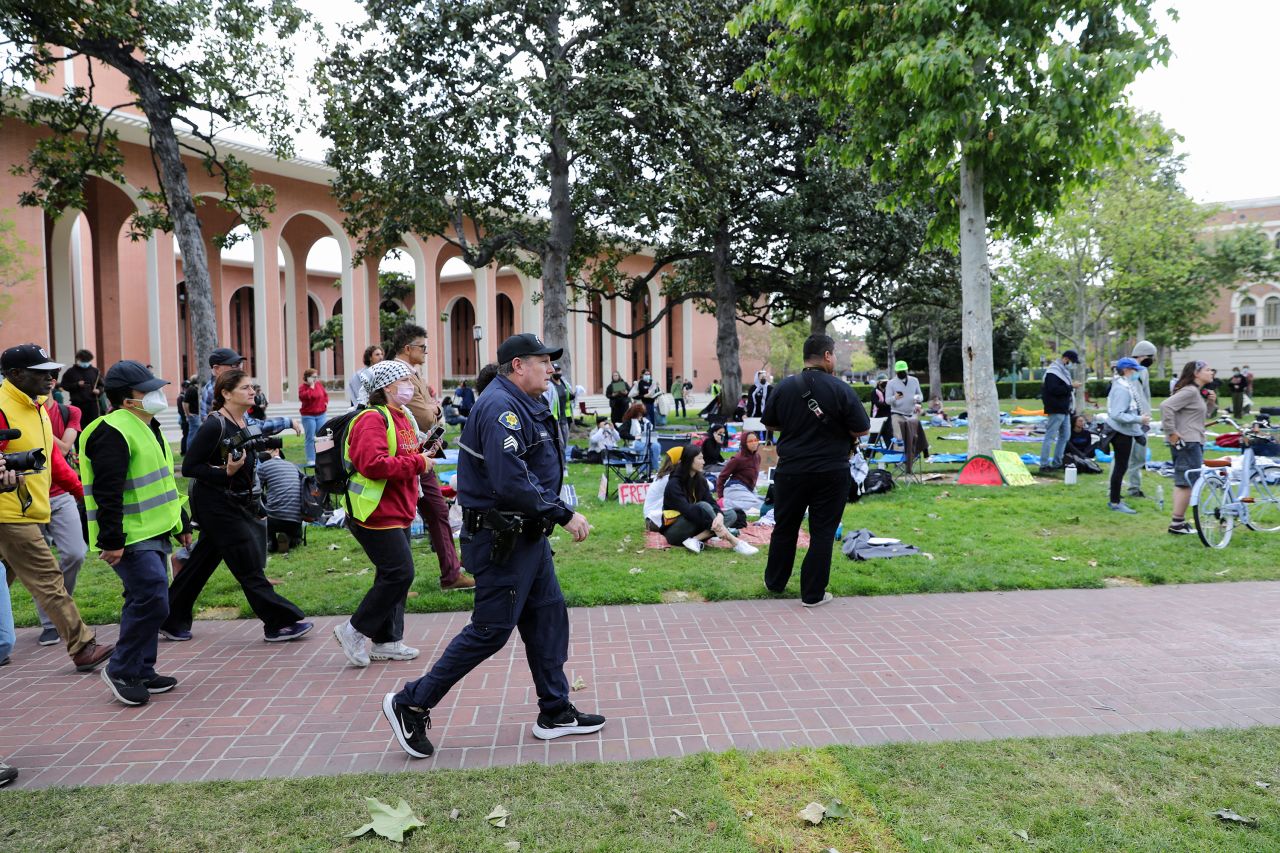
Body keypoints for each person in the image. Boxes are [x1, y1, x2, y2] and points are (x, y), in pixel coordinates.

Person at [381, 332, 605, 759]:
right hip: (503, 539)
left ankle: (555, 711)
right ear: (518, 365)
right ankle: (411, 702)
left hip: (527, 537)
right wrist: (563, 513)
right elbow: (512, 481)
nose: (551, 369)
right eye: (544, 361)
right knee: (490, 631)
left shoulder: (523, 402)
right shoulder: (500, 406)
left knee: (547, 618)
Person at [160, 369, 313, 642]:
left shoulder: (244, 420)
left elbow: (248, 450)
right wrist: (225, 473)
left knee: (200, 564)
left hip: (235, 502)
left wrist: (269, 449)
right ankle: (279, 623)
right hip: (216, 505)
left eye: (252, 386)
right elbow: (191, 467)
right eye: (245, 388)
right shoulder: (214, 424)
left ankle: (170, 618)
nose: (252, 391)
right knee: (248, 563)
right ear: (226, 394)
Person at [80, 361, 190, 706]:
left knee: (145, 598)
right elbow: (107, 491)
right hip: (128, 536)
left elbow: (162, 482)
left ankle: (142, 669)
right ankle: (121, 669)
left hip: (154, 529)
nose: (159, 394)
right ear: (128, 399)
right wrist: (112, 540)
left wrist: (181, 521)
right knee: (153, 598)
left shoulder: (146, 424)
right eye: (149, 390)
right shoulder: (111, 431)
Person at [0, 344, 114, 672]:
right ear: (15, 375)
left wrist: (81, 494)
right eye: (41, 372)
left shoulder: (36, 408)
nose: (51, 377)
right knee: (49, 578)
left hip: (25, 509)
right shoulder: (3, 406)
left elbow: (53, 461)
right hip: (9, 513)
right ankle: (82, 647)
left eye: (52, 371)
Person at [333, 359, 434, 667]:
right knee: (400, 573)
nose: (412, 387)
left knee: (393, 575)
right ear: (388, 387)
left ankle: (388, 640)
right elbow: (372, 464)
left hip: (398, 508)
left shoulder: (402, 416)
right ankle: (353, 630)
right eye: (407, 381)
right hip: (374, 512)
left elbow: (402, 454)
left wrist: (423, 453)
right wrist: (418, 463)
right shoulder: (371, 420)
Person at [762, 334, 870, 607]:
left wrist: (797, 425)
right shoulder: (840, 389)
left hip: (791, 470)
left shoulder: (784, 388)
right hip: (830, 470)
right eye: (833, 354)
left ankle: (774, 582)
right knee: (822, 532)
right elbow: (861, 428)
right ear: (827, 356)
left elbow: (771, 424)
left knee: (784, 527)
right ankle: (812, 594)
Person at [391, 324, 475, 591]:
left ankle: (448, 574)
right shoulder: (400, 373)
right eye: (422, 347)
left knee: (430, 512)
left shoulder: (410, 373)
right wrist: (433, 409)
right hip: (407, 455)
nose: (426, 352)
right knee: (415, 515)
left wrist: (432, 408)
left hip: (416, 454)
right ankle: (434, 577)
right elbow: (426, 416)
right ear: (408, 348)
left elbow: (430, 410)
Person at [32, 395, 88, 647]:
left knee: (76, 553)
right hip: (28, 498)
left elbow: (63, 450)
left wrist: (37, 422)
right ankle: (51, 622)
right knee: (39, 564)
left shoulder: (69, 412)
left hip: (61, 494)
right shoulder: (13, 410)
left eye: (47, 377)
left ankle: (59, 610)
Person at [662, 443, 757, 554]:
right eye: (700, 458)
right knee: (703, 506)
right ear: (689, 460)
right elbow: (688, 511)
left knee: (731, 515)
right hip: (676, 531)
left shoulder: (700, 480)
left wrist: (719, 515)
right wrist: (717, 525)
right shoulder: (674, 483)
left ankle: (695, 540)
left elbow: (711, 501)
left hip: (696, 525)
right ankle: (735, 541)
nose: (704, 462)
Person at [1161, 360, 1216, 535]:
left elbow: (1198, 417)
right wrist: (1172, 433)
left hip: (1193, 441)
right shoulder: (1190, 391)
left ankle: (1179, 522)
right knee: (1186, 483)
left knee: (1187, 482)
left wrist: (1210, 403)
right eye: (1207, 370)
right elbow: (1166, 406)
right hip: (1187, 443)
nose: (1211, 372)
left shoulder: (1195, 393)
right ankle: (1177, 524)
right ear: (1196, 373)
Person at [1104, 357, 1149, 515]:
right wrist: (1139, 419)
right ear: (1127, 370)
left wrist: (1138, 432)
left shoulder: (1124, 385)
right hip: (1120, 433)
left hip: (1125, 431)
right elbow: (1117, 414)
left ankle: (1115, 500)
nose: (1137, 373)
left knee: (1121, 467)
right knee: (1120, 467)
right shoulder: (1122, 389)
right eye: (1135, 370)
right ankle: (1115, 502)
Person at [258, 447, 306, 554]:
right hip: (295, 518)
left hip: (274, 519)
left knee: (259, 505)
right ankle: (290, 539)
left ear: (277, 450)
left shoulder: (264, 466)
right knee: (297, 540)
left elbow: (256, 491)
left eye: (267, 449)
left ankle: (271, 541)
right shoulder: (293, 466)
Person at [1039, 350, 1080, 472]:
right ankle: (1044, 464)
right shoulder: (1053, 372)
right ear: (1066, 359)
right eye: (1072, 361)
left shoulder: (1062, 372)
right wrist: (1071, 387)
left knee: (1065, 436)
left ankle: (1057, 462)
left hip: (1064, 409)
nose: (1072, 364)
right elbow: (1053, 389)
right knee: (1050, 436)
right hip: (1056, 408)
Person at [1126, 340, 1157, 497]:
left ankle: (1134, 488)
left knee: (1138, 456)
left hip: (1141, 419)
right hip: (1132, 419)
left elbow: (1145, 396)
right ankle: (1118, 489)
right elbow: (1133, 393)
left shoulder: (1141, 371)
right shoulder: (1133, 370)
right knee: (1125, 456)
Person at [885, 360, 923, 473]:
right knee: (898, 439)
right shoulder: (891, 383)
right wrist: (895, 398)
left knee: (913, 437)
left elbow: (920, 395)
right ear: (896, 371)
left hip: (912, 413)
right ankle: (899, 462)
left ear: (906, 370)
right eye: (900, 371)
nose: (902, 372)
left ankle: (911, 460)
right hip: (897, 413)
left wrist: (918, 399)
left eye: (904, 370)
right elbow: (887, 400)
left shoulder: (914, 381)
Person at [716, 431, 765, 513]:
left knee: (765, 501)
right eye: (750, 441)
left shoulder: (757, 457)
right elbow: (722, 477)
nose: (754, 443)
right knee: (758, 504)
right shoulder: (737, 459)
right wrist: (721, 496)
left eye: (755, 440)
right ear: (744, 443)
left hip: (748, 489)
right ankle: (724, 503)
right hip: (735, 488)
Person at [57, 348, 103, 425]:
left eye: (87, 361)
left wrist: (99, 390)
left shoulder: (95, 371)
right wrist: (76, 385)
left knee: (94, 426)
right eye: (83, 361)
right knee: (78, 425)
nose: (85, 363)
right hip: (77, 404)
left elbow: (102, 385)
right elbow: (64, 385)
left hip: (92, 404)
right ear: (78, 359)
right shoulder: (71, 372)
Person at [199, 347, 245, 421]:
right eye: (235, 365)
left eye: (240, 364)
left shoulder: (233, 385)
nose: (240, 368)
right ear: (217, 369)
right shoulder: (213, 390)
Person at [297, 367, 330, 466]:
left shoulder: (319, 385)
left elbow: (324, 395)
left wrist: (325, 403)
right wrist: (311, 387)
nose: (315, 379)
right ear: (307, 377)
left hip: (321, 414)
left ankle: (324, 458)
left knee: (323, 436)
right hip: (308, 416)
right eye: (313, 377)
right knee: (310, 437)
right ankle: (311, 459)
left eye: (316, 377)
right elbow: (305, 397)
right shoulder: (303, 388)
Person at [620, 402, 660, 469]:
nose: (641, 414)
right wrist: (634, 437)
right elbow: (622, 433)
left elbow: (650, 431)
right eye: (639, 413)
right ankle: (642, 469)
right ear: (635, 412)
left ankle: (655, 468)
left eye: (641, 413)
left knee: (656, 446)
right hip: (633, 442)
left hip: (645, 440)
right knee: (646, 448)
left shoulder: (645, 421)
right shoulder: (629, 421)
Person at [544, 362, 574, 449]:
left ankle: (564, 460)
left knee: (565, 441)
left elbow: (569, 397)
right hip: (555, 418)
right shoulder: (550, 386)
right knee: (559, 443)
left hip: (565, 417)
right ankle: (561, 461)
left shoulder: (564, 383)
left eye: (559, 370)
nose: (557, 372)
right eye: (555, 371)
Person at [181, 376, 200, 451]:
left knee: (194, 433)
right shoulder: (192, 389)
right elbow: (185, 403)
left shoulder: (193, 389)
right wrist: (188, 414)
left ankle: (192, 450)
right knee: (193, 434)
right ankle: (190, 451)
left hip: (195, 415)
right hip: (194, 415)